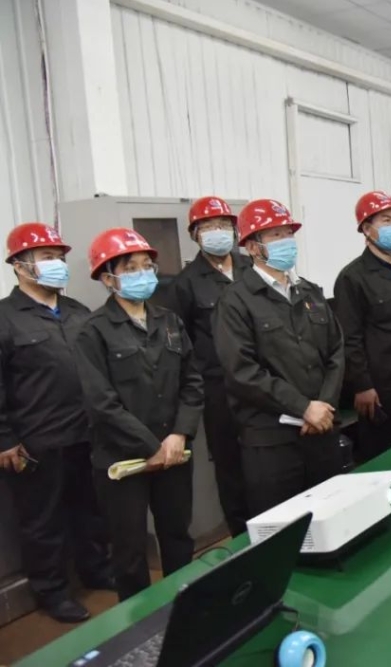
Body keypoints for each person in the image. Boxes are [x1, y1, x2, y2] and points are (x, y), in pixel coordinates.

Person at [75, 228, 203, 601]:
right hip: (123, 459)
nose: (142, 273)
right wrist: (151, 446)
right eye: (130, 268)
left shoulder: (170, 321)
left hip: (174, 452)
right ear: (107, 278)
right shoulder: (92, 332)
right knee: (129, 550)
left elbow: (192, 382)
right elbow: (101, 403)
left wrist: (179, 434)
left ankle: (184, 606)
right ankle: (138, 623)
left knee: (177, 536)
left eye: (147, 265)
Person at [0, 223, 113, 623]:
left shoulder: (78, 311)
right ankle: (52, 591)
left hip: (87, 433)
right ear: (20, 265)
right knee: (42, 521)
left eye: (59, 257)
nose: (57, 265)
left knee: (91, 510)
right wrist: (5, 438)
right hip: (37, 441)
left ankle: (96, 570)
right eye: (47, 257)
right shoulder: (5, 318)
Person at [214, 199, 347, 516]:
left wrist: (323, 405)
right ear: (252, 247)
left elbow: (336, 352)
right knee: (283, 527)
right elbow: (242, 371)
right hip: (272, 441)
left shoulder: (310, 292)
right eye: (275, 235)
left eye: (288, 233)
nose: (286, 241)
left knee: (332, 519)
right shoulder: (235, 301)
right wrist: (303, 408)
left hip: (322, 431)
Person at [170, 196, 252, 537]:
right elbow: (182, 346)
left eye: (223, 225)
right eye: (208, 227)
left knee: (268, 461)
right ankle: (243, 538)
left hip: (264, 380)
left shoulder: (252, 267)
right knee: (231, 466)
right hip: (220, 389)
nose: (218, 232)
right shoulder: (186, 283)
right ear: (194, 235)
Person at [333, 191, 391, 464]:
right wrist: (362, 386)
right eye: (386, 220)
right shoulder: (352, 277)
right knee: (384, 460)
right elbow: (349, 337)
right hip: (383, 389)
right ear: (366, 229)